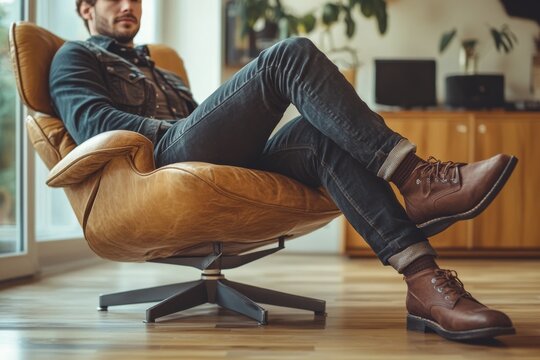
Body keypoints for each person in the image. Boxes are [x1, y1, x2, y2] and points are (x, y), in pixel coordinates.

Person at [50, 0, 517, 341]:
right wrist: (178, 126)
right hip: (158, 160)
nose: (128, 5)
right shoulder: (75, 57)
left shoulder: (167, 73)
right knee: (288, 55)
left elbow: (208, 126)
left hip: (199, 152)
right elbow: (95, 126)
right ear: (85, 8)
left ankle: (423, 282)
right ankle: (415, 178)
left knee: (318, 139)